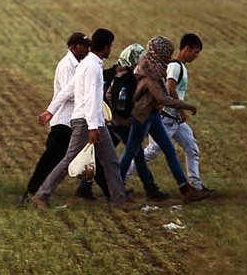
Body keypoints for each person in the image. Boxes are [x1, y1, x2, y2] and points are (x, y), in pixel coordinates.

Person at [30, 29, 131, 210]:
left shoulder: (87, 63)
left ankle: (119, 200)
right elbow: (91, 97)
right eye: (111, 46)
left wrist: (50, 111)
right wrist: (93, 127)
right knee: (70, 159)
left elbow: (68, 89)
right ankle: (42, 195)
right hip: (87, 121)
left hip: (93, 121)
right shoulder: (92, 67)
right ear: (106, 46)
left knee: (110, 161)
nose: (111, 49)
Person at [115, 36, 205, 202]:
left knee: (169, 150)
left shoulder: (152, 67)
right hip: (142, 116)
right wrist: (187, 106)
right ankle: (115, 186)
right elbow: (164, 98)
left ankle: (185, 188)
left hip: (153, 115)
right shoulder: (150, 74)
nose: (169, 57)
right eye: (166, 54)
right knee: (132, 151)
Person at [23, 32, 91, 204]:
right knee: (53, 158)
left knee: (86, 155)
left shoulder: (79, 64)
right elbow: (68, 92)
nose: (87, 50)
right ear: (74, 47)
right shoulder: (67, 66)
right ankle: (33, 191)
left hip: (71, 119)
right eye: (84, 46)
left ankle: (105, 191)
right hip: (63, 120)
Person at [82, 43, 145, 201]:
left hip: (104, 119)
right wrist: (120, 118)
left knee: (102, 156)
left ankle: (86, 186)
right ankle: (144, 187)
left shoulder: (109, 72)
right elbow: (118, 100)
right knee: (133, 152)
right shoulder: (127, 76)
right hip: (114, 121)